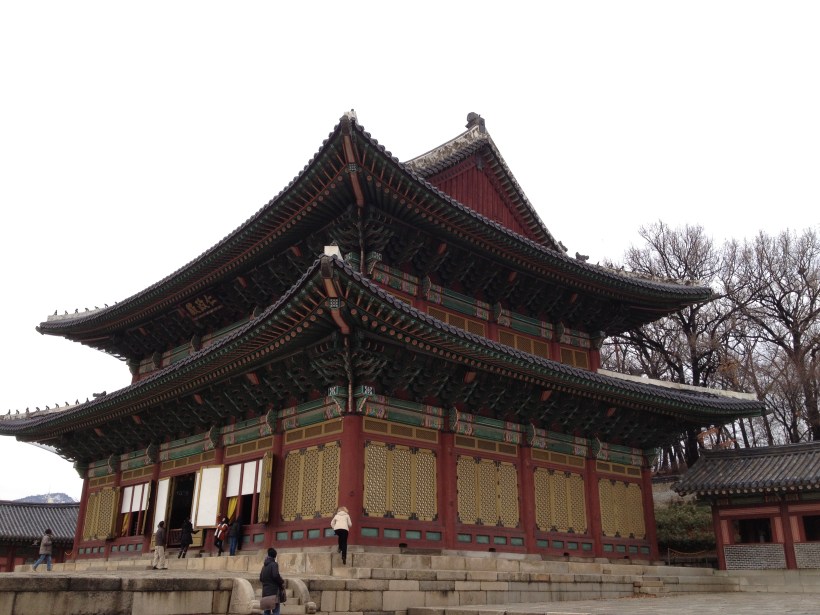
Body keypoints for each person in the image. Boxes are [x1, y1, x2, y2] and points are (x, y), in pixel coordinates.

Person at [259, 547, 285, 615]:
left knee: (266, 612)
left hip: (265, 592)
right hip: (274, 592)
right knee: (276, 611)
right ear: (275, 556)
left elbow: (261, 578)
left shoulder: (264, 566)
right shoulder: (274, 564)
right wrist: (282, 582)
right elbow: (275, 575)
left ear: (268, 555)